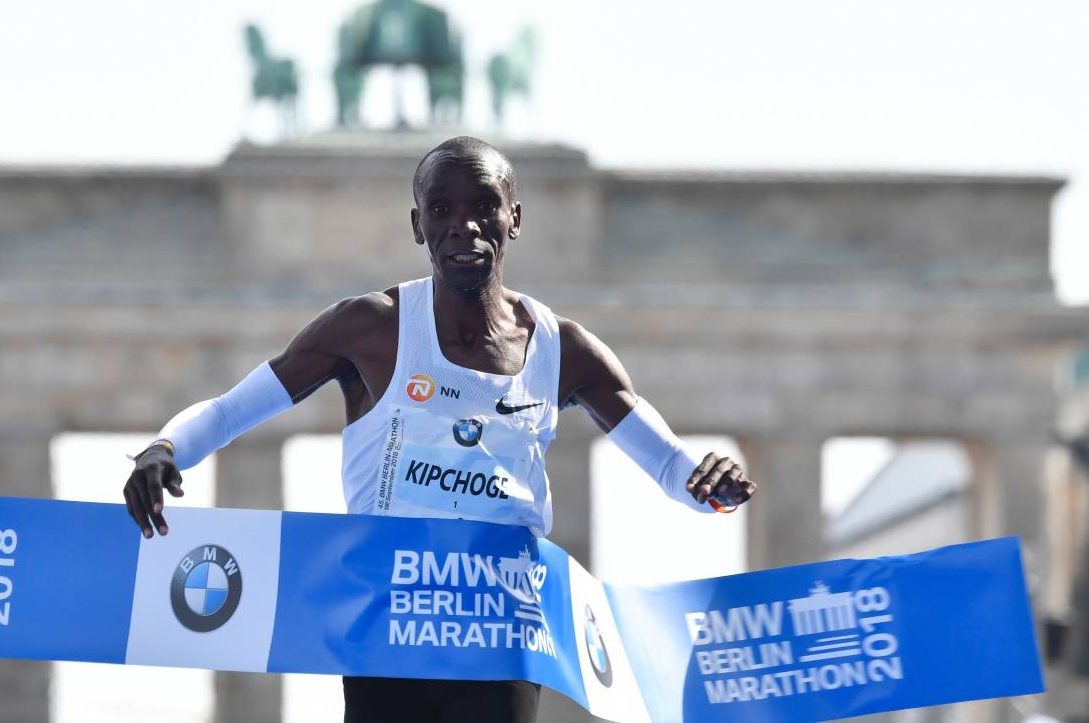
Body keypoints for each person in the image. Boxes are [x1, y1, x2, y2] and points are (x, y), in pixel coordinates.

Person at [123, 135, 756, 723]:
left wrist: (712, 485)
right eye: (442, 209)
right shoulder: (369, 327)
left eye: (484, 207)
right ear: (417, 224)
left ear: (514, 218)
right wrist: (165, 448)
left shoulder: (565, 349)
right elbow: (230, 411)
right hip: (386, 623)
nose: (464, 226)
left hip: (500, 627)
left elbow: (673, 468)